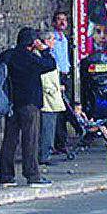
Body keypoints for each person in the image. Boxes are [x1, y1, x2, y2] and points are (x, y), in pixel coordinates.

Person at [0, 28, 56, 187]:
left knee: (9, 139)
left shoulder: (8, 55)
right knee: (30, 139)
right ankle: (33, 175)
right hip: (29, 103)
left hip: (10, 103)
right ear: (33, 42)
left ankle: (6, 175)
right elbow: (50, 65)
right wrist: (44, 50)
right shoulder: (30, 57)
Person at [37, 30, 65, 166]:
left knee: (49, 126)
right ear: (47, 41)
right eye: (52, 39)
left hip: (51, 94)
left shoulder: (47, 55)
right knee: (47, 127)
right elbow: (45, 77)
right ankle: (44, 155)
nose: (54, 42)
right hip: (48, 96)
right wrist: (53, 89)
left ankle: (46, 152)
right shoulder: (44, 56)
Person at [50, 10, 71, 154]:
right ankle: (57, 142)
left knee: (64, 110)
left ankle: (61, 141)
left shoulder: (64, 39)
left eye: (64, 20)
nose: (62, 22)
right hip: (57, 76)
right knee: (58, 110)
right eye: (59, 20)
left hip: (65, 74)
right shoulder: (52, 38)